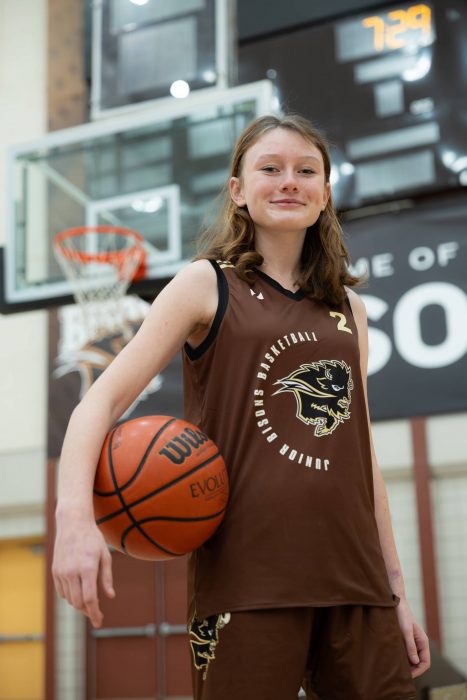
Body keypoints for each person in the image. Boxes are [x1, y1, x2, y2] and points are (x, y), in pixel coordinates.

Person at [53, 113, 430, 700]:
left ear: (325, 193)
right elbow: (97, 403)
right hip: (247, 582)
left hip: (357, 585)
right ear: (238, 190)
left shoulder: (346, 308)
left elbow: (362, 458)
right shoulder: (205, 284)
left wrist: (398, 591)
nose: (289, 182)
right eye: (270, 168)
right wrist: (73, 520)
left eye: (307, 171)